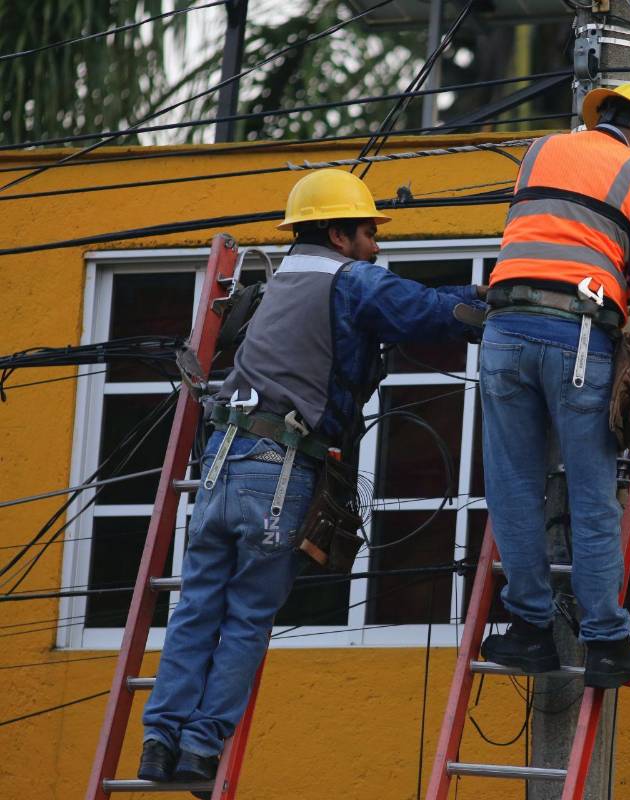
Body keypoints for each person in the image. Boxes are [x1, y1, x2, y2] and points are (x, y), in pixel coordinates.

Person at [138, 169, 486, 790]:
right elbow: (437, 313)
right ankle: (198, 751)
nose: (377, 246)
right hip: (278, 472)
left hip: (220, 461)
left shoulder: (277, 281)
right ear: (337, 232)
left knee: (194, 609)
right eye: (369, 234)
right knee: (246, 616)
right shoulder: (351, 283)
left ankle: (158, 744)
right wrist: (503, 294)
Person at [478, 83, 630, 687]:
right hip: (579, 337)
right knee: (593, 500)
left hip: (504, 329)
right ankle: (607, 644)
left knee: (513, 488)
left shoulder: (539, 150)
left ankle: (530, 631)